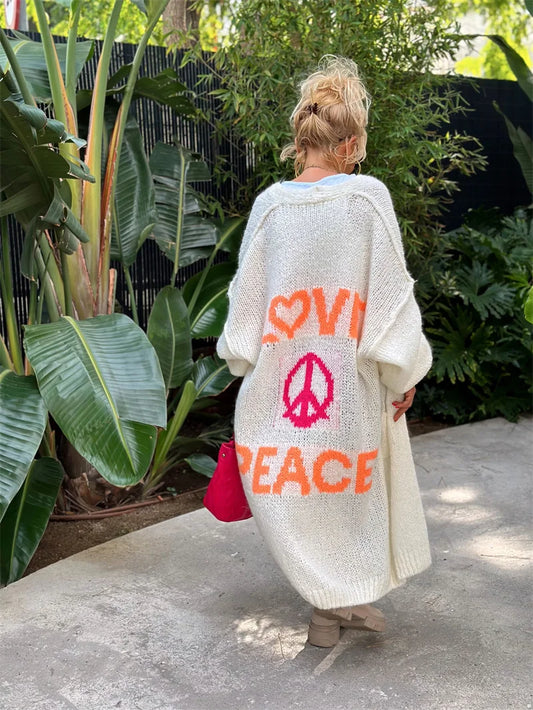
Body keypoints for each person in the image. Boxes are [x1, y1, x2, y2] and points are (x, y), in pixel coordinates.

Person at [216, 55, 433, 648]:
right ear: (351, 143)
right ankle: (336, 604)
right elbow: (390, 300)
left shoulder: (270, 206)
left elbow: (244, 316)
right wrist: (403, 373)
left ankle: (327, 609)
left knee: (303, 495)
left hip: (278, 388)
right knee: (347, 492)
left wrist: (245, 362)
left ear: (302, 140)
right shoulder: (368, 199)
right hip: (348, 386)